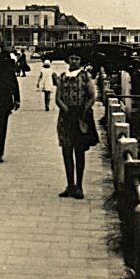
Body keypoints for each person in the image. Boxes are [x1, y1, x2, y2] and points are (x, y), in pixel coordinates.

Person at [55, 50, 100, 199]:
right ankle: (70, 185)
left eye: (77, 58)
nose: (74, 61)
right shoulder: (63, 77)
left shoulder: (85, 76)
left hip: (80, 117)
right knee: (66, 151)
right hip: (65, 117)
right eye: (71, 58)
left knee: (79, 152)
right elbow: (58, 98)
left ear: (81, 61)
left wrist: (83, 111)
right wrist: (66, 110)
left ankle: (79, 186)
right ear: (68, 60)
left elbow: (92, 96)